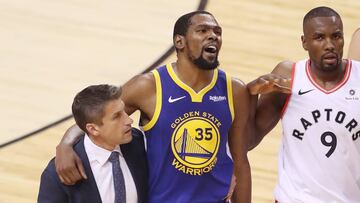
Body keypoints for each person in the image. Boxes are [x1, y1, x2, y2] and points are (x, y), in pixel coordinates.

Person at [55, 11, 251, 203]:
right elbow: (97, 117)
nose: (213, 36)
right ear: (179, 42)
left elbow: (240, 160)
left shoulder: (234, 90)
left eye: (217, 32)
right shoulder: (148, 86)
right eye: (202, 30)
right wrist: (64, 145)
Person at [248, 6, 360, 202]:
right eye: (319, 37)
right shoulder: (288, 76)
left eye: (336, 36)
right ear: (304, 42)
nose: (330, 45)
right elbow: (250, 139)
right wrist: (250, 94)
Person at [38, 84, 148, 203]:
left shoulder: (139, 144)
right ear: (93, 129)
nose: (129, 120)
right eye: (117, 116)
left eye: (124, 111)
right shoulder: (58, 173)